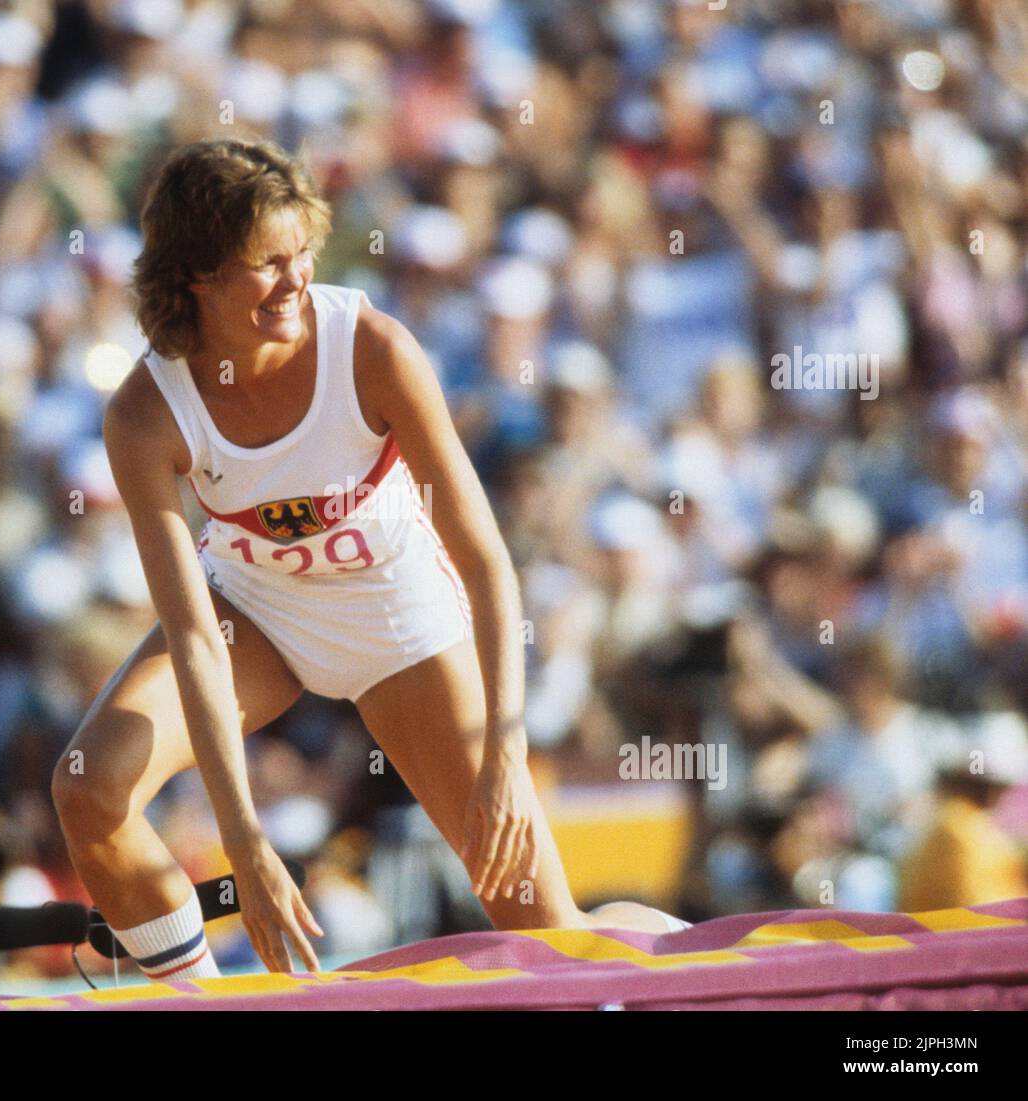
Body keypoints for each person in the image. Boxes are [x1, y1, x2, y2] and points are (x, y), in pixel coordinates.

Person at [51, 138, 685, 982]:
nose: (296, 278)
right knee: (90, 791)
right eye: (267, 263)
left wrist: (503, 748)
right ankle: (201, 1006)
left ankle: (708, 964)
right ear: (198, 273)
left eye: (301, 252)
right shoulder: (144, 409)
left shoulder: (372, 348)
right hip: (257, 612)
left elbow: (486, 560)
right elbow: (196, 635)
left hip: (399, 620)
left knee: (549, 938)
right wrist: (242, 842)